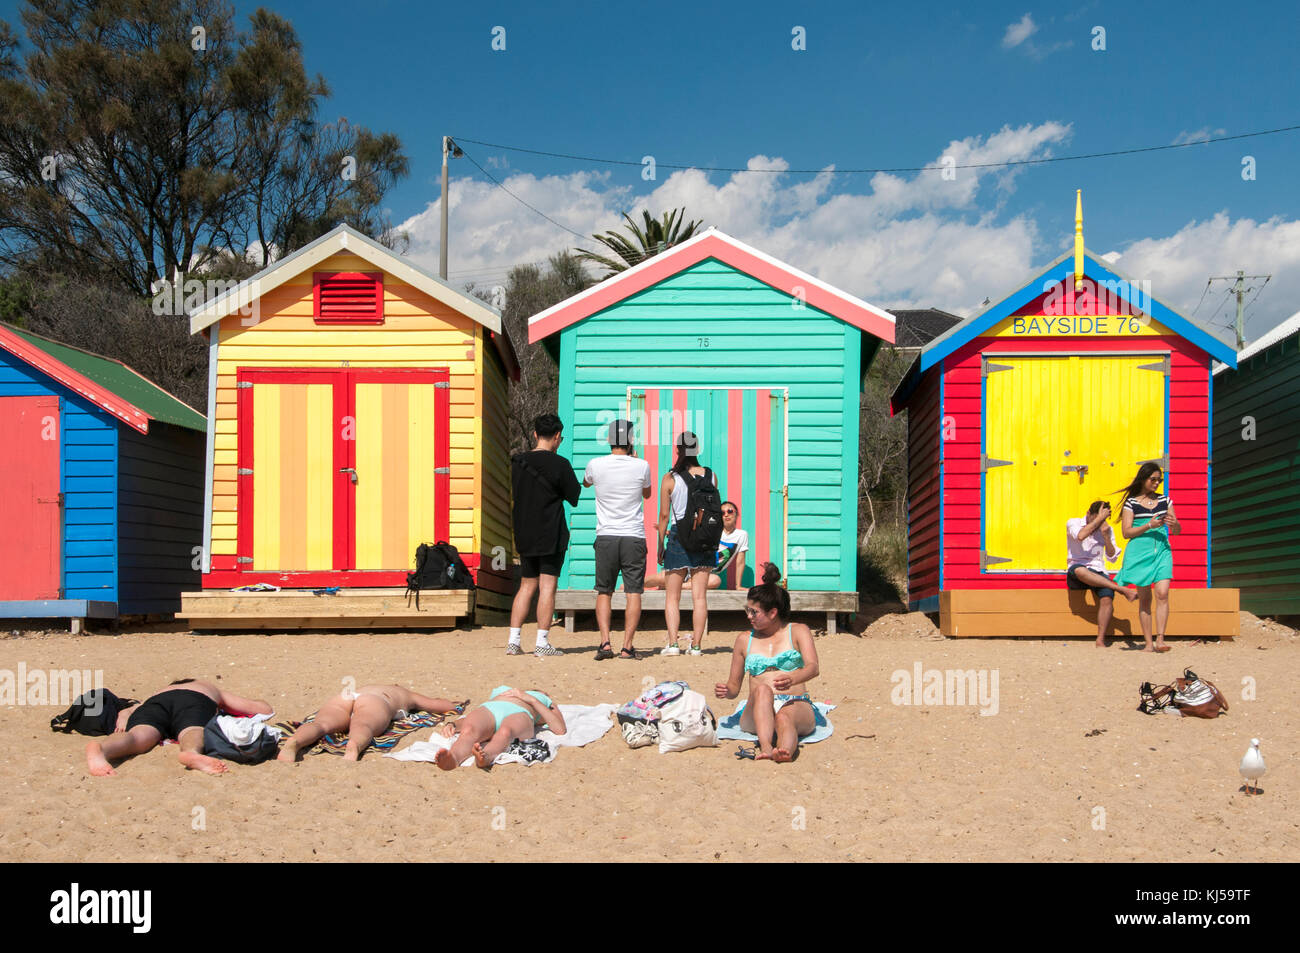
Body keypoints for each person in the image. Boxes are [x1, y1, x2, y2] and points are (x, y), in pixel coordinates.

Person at [714, 563, 820, 762]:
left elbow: (813, 667)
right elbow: (734, 686)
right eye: (748, 610)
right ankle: (766, 747)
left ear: (772, 613)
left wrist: (793, 677)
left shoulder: (798, 631)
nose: (748, 616)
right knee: (762, 690)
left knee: (784, 716)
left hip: (794, 702)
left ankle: (785, 751)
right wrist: (727, 691)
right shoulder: (744, 640)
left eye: (754, 612)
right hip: (757, 709)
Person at [85, 678, 273, 777]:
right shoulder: (205, 687)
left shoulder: (160, 691)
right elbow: (263, 709)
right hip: (194, 700)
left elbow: (129, 710)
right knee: (192, 730)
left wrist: (124, 716)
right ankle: (191, 752)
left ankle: (102, 750)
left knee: (137, 736)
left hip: (156, 703)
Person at [509, 413, 582, 657]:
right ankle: (542, 642)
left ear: (535, 434)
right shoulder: (560, 464)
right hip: (551, 531)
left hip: (524, 531)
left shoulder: (517, 462)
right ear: (558, 437)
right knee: (547, 586)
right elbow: (574, 496)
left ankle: (513, 640)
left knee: (526, 585)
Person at [583, 419, 653, 660]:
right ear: (631, 440)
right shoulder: (642, 465)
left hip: (606, 535)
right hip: (633, 535)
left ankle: (604, 643)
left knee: (604, 591)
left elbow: (587, 482)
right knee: (633, 592)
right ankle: (627, 646)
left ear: (610, 440)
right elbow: (647, 493)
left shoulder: (595, 464)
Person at [277, 684, 461, 762]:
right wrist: (455, 705)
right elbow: (437, 705)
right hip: (376, 701)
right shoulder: (407, 694)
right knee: (362, 725)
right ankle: (354, 746)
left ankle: (295, 742)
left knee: (322, 724)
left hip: (349, 694)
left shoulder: (373, 685)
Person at [656, 431, 720, 655]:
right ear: (698, 449)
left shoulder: (670, 478)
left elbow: (664, 516)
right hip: (705, 539)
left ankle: (673, 644)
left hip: (677, 538)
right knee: (699, 597)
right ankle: (696, 646)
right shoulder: (711, 476)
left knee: (672, 596)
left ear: (678, 451)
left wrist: (659, 545)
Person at [1115, 462, 1180, 653]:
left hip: (1162, 550)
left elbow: (1176, 531)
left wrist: (1174, 523)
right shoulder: (1131, 503)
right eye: (1153, 479)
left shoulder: (1165, 501)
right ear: (1143, 479)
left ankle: (1160, 639)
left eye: (1159, 480)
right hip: (1139, 553)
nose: (1157, 483)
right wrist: (1148, 526)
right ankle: (1148, 643)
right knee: (1144, 599)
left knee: (1162, 593)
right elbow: (1126, 532)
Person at [434, 686, 566, 771]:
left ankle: (485, 757)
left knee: (505, 733)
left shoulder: (544, 701)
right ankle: (453, 758)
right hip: (491, 708)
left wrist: (532, 700)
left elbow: (560, 729)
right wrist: (454, 725)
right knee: (469, 729)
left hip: (520, 712)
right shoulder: (503, 690)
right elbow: (467, 719)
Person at [1066, 500, 1138, 646]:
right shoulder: (1074, 522)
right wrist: (1099, 519)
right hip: (1077, 567)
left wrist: (1106, 536)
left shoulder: (1106, 528)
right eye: (1098, 517)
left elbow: (1112, 557)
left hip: (1098, 570)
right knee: (1080, 570)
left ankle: (1100, 638)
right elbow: (1080, 536)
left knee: (1106, 598)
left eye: (1103, 518)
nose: (1100, 521)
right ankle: (1120, 589)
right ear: (1088, 514)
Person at [645, 500, 748, 591]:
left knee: (715, 581)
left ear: (736, 514)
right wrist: (668, 532)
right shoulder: (711, 529)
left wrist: (738, 586)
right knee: (658, 578)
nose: (726, 515)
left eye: (730, 511)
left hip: (704, 575)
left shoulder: (741, 535)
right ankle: (633, 585)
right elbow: (689, 536)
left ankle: (674, 586)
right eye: (722, 513)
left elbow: (740, 562)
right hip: (688, 567)